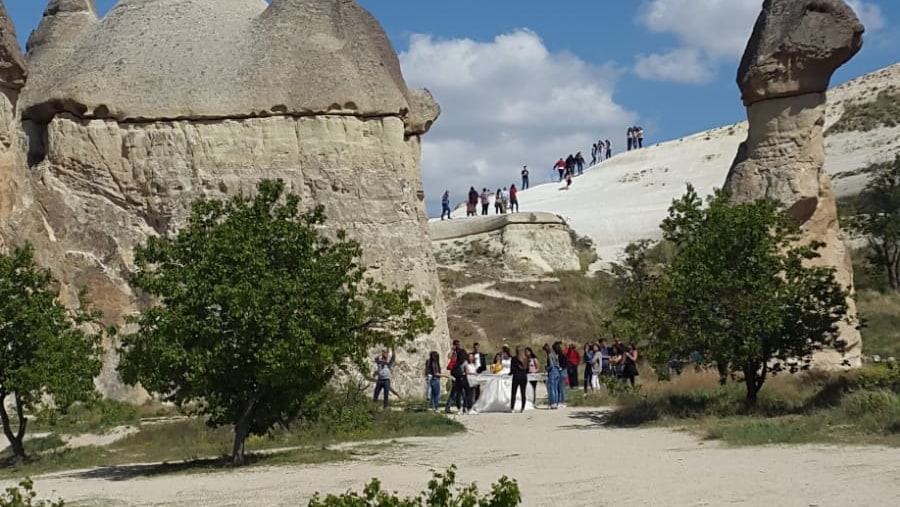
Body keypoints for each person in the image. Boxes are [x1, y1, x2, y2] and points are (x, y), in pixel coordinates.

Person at [510, 348, 529, 413]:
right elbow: (527, 369)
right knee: (523, 393)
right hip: (524, 376)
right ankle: (522, 408)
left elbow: (512, 369)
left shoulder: (514, 358)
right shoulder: (525, 359)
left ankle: (512, 408)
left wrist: (511, 373)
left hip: (516, 376)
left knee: (513, 392)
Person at [543, 343, 561, 409]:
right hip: (557, 371)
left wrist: (546, 368)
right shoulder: (555, 354)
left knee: (552, 388)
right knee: (556, 388)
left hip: (552, 372)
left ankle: (553, 403)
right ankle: (556, 403)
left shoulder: (549, 355)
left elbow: (551, 365)